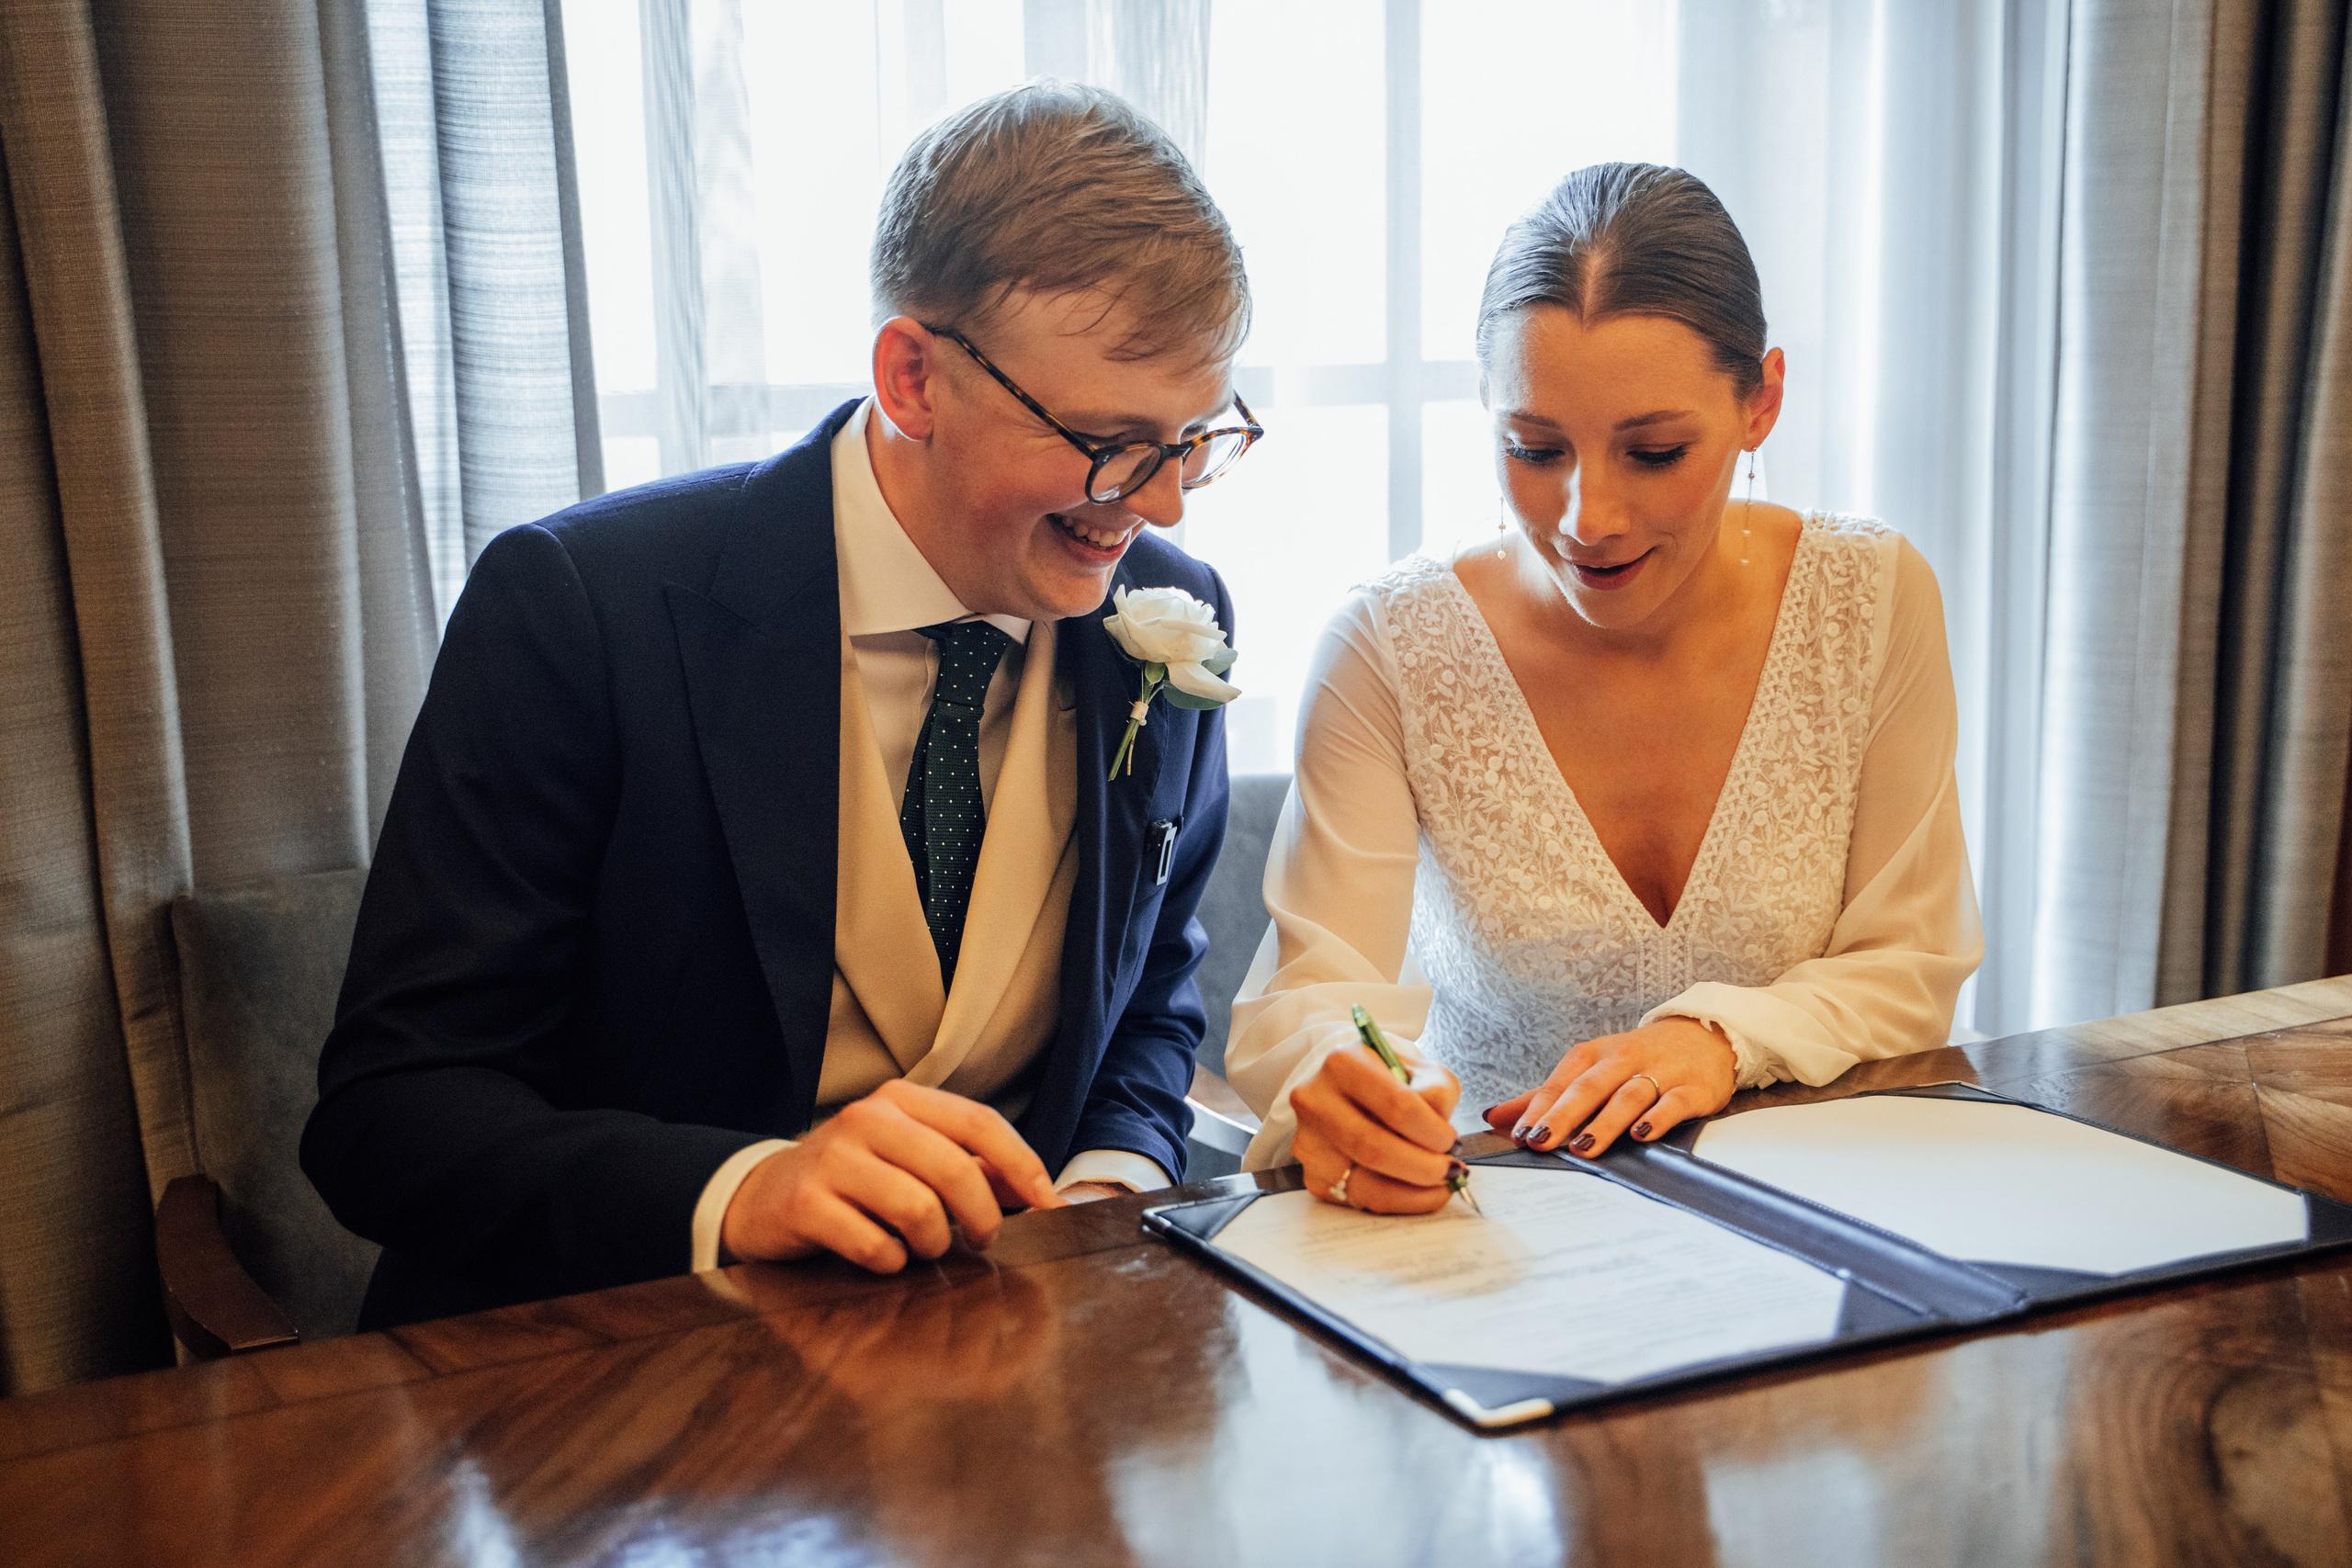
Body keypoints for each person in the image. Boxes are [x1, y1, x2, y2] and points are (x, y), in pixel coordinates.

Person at [302, 83, 1259, 1326]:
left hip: (1020, 1377)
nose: (1166, 503)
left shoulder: (1168, 613)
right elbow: (391, 1113)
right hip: (612, 1387)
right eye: (1114, 440)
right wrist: (745, 1189)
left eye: (1195, 438)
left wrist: (1110, 1182)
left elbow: (1147, 1008)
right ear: (913, 377)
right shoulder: (585, 608)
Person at [1224, 163, 1982, 1213]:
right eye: (1535, 449)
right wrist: (1345, 1086)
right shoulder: (1388, 646)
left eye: (1655, 451)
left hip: (1833, 1212)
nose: (1589, 517)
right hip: (1495, 1233)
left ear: (1760, 400)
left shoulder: (1871, 596)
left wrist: (1720, 1038)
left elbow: (1911, 960)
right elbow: (1312, 996)